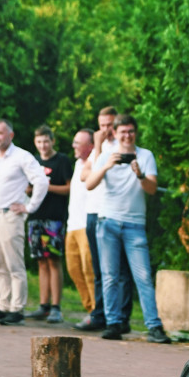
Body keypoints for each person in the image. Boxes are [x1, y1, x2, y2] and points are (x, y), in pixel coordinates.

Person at [83, 114, 171, 343]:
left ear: (135, 132)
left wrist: (139, 173)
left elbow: (151, 189)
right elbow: (90, 184)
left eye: (131, 131)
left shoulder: (145, 156)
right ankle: (113, 324)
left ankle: (154, 325)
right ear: (116, 133)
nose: (127, 135)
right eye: (123, 131)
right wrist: (107, 165)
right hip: (108, 222)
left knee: (142, 276)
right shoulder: (106, 155)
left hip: (134, 224)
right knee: (110, 276)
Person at [0, 119, 49, 326]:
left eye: (0, 133)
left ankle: (17, 308)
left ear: (11, 135)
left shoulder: (22, 157)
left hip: (11, 216)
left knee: (14, 264)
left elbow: (41, 181)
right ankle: (3, 305)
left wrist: (29, 207)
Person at [74, 106, 133, 332]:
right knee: (100, 270)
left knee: (121, 272)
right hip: (94, 213)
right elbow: (85, 175)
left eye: (110, 125)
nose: (106, 130)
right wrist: (97, 147)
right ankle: (100, 314)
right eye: (102, 126)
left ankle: (122, 318)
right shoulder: (99, 150)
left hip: (116, 214)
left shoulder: (124, 148)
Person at [27, 125, 72, 324]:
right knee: (41, 262)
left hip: (54, 218)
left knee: (54, 261)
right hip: (35, 216)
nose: (43, 145)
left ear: (52, 141)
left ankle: (56, 307)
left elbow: (69, 188)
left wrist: (45, 186)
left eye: (46, 141)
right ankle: (43, 305)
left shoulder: (62, 161)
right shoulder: (33, 162)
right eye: (39, 142)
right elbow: (27, 187)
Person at [65, 128, 96, 314]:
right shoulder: (77, 164)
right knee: (73, 269)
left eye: (78, 143)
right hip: (72, 225)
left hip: (87, 224)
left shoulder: (94, 163)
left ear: (90, 146)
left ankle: (97, 311)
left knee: (89, 270)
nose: (73, 146)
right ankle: (89, 308)